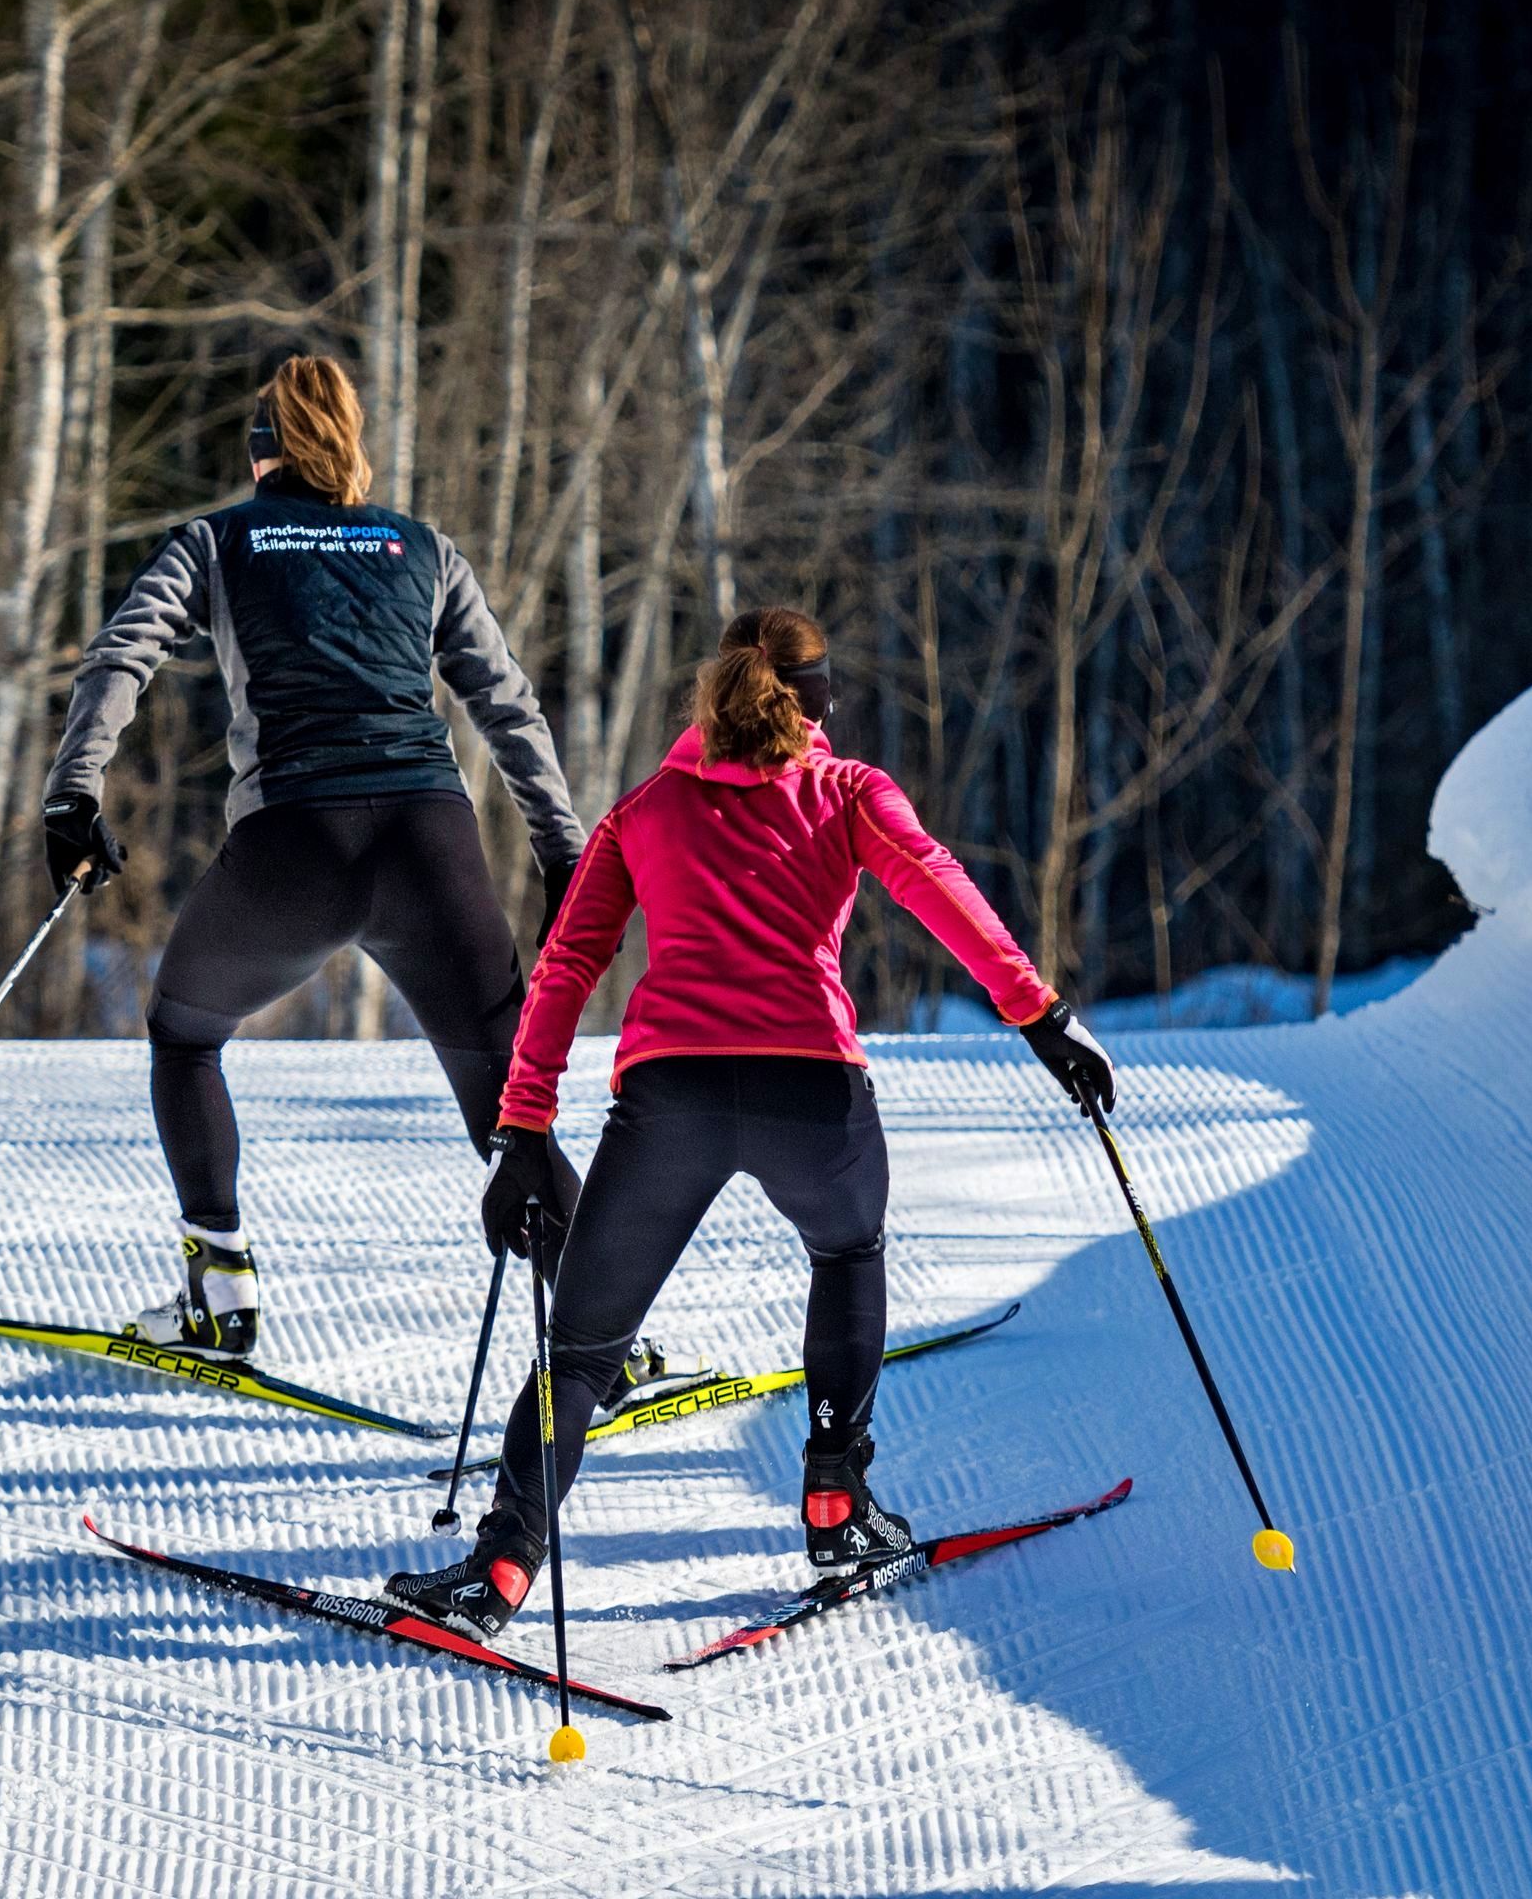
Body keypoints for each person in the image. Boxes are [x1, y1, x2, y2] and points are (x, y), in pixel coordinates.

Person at [380, 606, 1118, 1639]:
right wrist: (1041, 1016)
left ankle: (504, 1562)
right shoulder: (851, 791)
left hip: (668, 1098)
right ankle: (835, 1501)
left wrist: (523, 1127)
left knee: (584, 1348)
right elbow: (941, 891)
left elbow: (564, 970)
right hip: (811, 1092)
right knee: (848, 1248)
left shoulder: (645, 809)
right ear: (815, 700)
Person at [39, 355, 594, 1359]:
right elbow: (506, 702)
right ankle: (609, 1333)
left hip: (297, 842)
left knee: (185, 1033)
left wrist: (72, 797)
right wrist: (564, 850)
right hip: (432, 843)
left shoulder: (216, 540)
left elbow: (121, 653)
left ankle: (221, 1286)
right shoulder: (423, 548)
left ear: (262, 459)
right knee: (514, 1104)